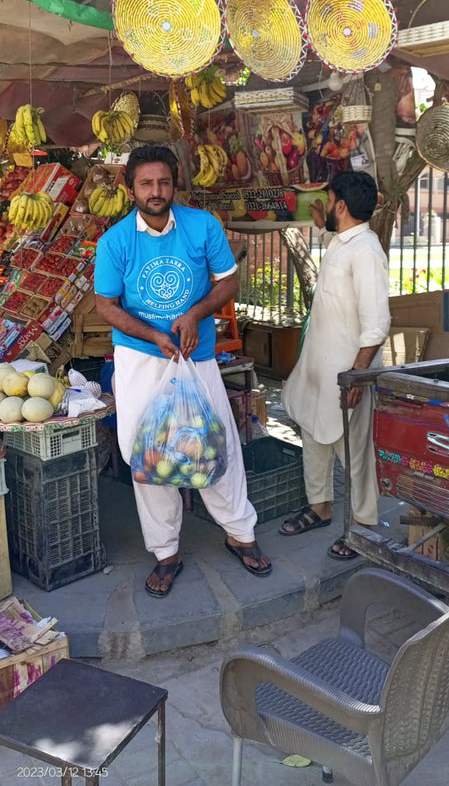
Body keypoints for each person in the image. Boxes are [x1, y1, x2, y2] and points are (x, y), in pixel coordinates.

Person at [94, 144, 271, 596]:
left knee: (214, 443)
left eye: (164, 182)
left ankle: (240, 533)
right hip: (140, 360)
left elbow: (228, 280)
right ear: (130, 187)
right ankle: (166, 552)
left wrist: (195, 313)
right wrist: (153, 336)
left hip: (197, 358)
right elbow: (105, 306)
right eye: (146, 183)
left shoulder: (202, 226)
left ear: (175, 183)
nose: (156, 191)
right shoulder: (115, 241)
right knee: (147, 454)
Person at [280, 170, 390, 559]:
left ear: (341, 206)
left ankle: (363, 525)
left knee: (353, 452)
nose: (324, 206)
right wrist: (321, 226)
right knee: (313, 433)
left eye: (327, 201)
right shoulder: (345, 241)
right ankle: (321, 506)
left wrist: (357, 377)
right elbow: (337, 248)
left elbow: (377, 325)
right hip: (318, 371)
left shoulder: (367, 252)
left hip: (347, 376)